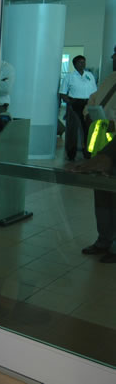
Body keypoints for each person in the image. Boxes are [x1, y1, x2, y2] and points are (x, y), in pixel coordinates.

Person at [77, 45, 116, 264]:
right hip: (101, 143)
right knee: (101, 195)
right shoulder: (110, 78)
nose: (113, 57)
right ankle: (103, 240)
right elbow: (93, 100)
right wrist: (90, 112)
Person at [60, 55, 98, 160]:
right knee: (73, 129)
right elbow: (63, 93)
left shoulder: (89, 75)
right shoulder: (69, 77)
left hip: (88, 104)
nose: (83, 64)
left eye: (84, 62)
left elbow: (95, 92)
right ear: (75, 64)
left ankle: (88, 152)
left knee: (88, 128)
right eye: (80, 62)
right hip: (75, 103)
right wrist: (70, 102)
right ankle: (71, 153)